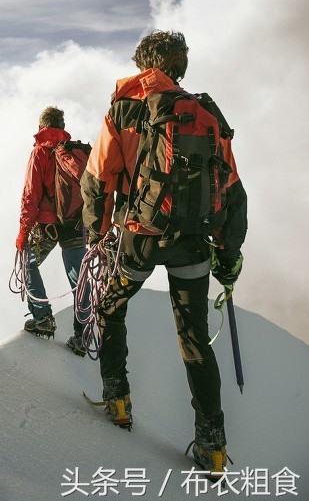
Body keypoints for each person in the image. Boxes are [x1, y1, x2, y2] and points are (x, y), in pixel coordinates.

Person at [80, 30, 247, 475]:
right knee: (193, 337)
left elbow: (98, 176)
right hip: (193, 241)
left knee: (111, 308)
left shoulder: (124, 108)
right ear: (181, 66)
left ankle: (118, 402)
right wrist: (229, 258)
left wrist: (97, 233)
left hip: (139, 237)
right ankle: (212, 447)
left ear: (143, 66)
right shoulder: (206, 112)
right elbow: (232, 189)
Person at [14, 105, 91, 355]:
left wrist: (23, 231)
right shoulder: (74, 153)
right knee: (79, 278)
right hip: (76, 224)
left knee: (28, 262)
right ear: (63, 127)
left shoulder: (40, 152)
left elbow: (30, 195)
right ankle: (83, 335)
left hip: (47, 226)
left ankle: (42, 318)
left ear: (41, 127)